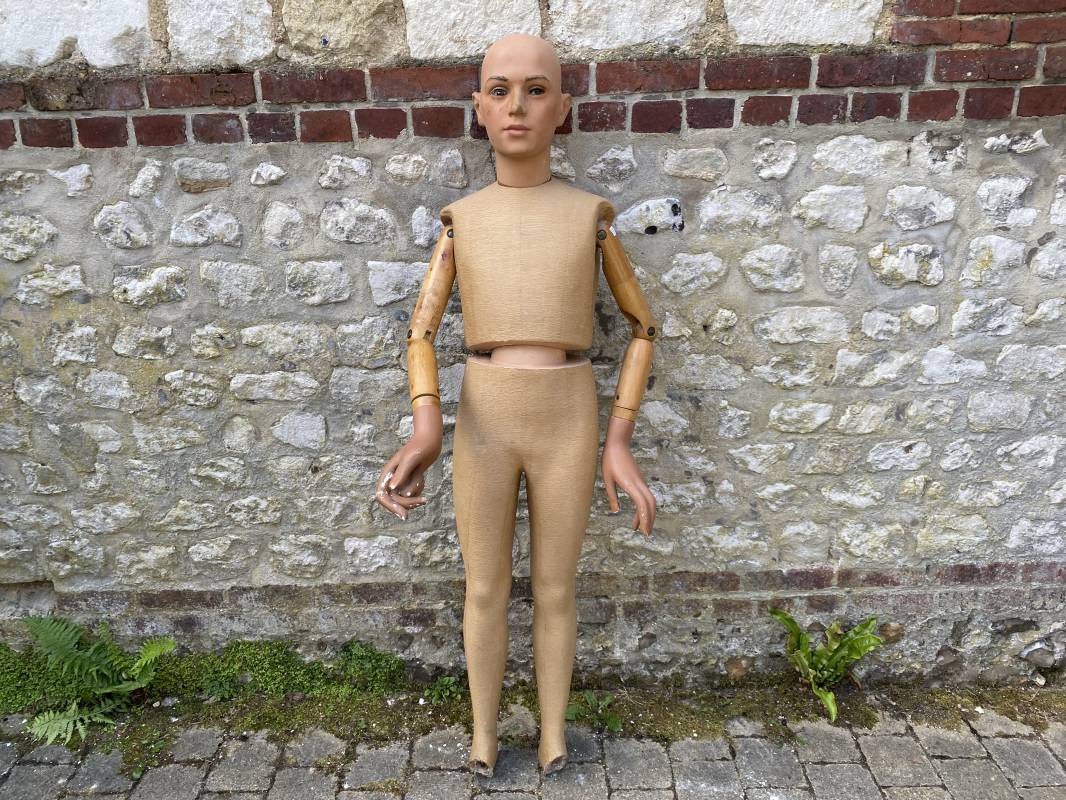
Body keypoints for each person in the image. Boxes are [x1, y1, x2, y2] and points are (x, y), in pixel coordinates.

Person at [374, 32, 658, 778]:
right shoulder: (462, 220)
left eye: (537, 90)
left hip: (568, 412)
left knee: (557, 587)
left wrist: (618, 439)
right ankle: (483, 733)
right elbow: (421, 330)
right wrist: (427, 425)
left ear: (563, 108)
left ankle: (553, 731)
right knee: (485, 586)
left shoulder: (590, 216)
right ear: (479, 107)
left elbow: (644, 326)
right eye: (499, 91)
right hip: (485, 414)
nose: (517, 107)